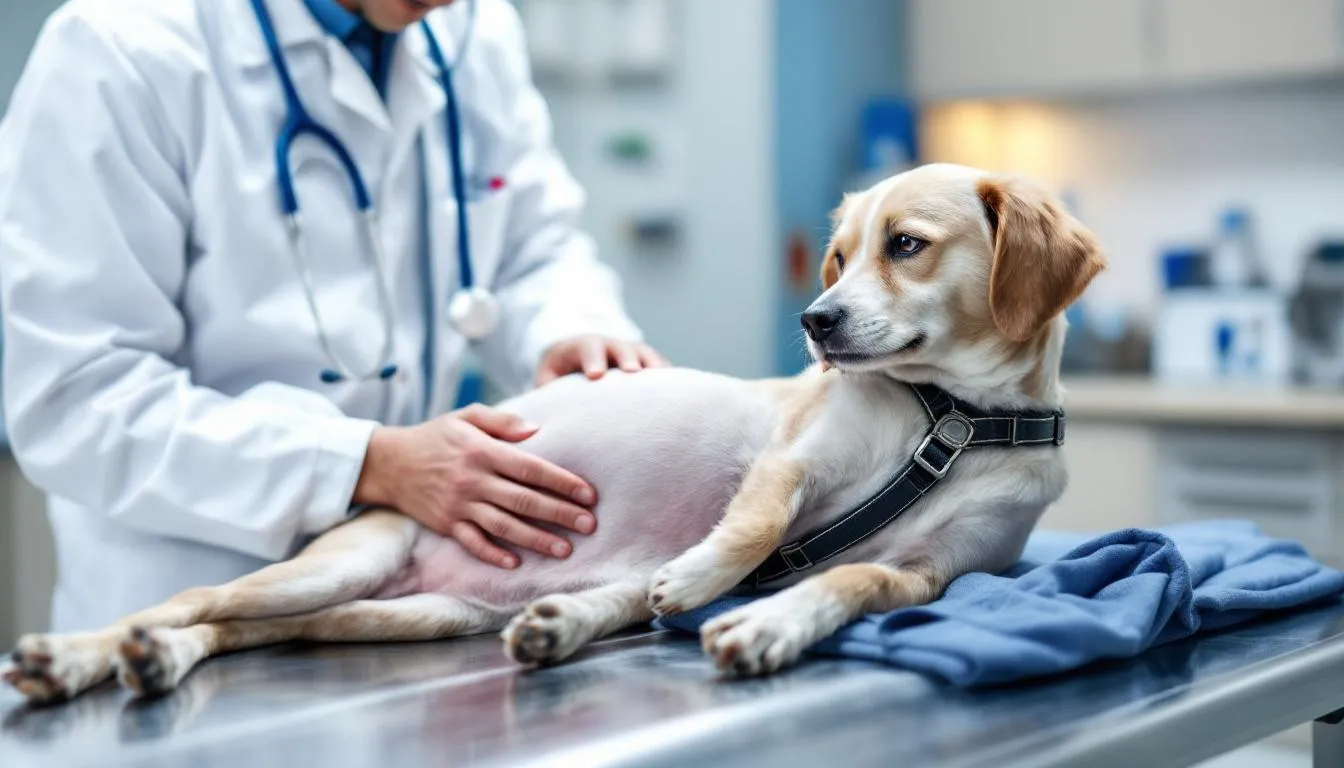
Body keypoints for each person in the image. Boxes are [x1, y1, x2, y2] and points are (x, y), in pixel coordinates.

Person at [0, 0, 668, 632]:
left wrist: (573, 330)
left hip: (402, 598)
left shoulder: (472, 31)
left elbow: (534, 251)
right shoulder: (119, 48)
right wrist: (364, 464)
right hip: (184, 614)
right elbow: (77, 401)